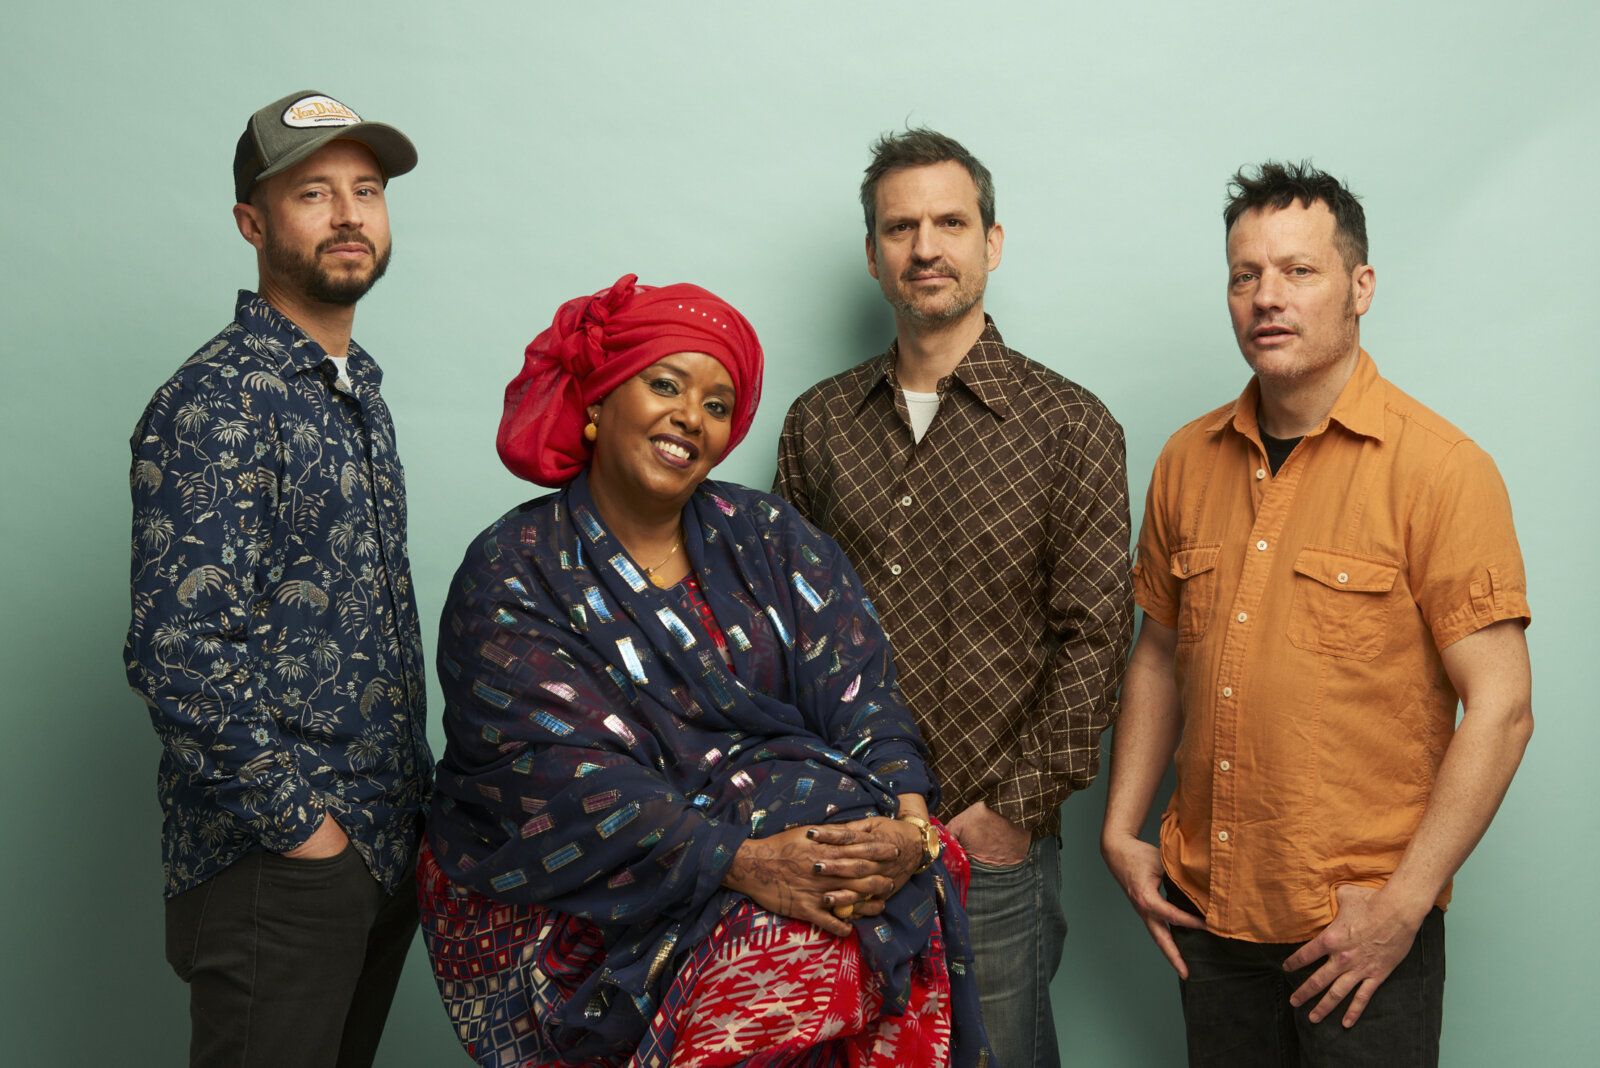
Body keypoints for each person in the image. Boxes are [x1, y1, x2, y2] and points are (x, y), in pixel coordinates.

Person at [419, 274, 993, 1067]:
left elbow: (862, 692)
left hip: (799, 855)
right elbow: (553, 773)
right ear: (597, 401)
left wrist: (907, 825)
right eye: (666, 385)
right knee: (790, 937)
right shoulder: (515, 569)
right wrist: (742, 862)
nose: (692, 416)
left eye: (718, 404)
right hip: (594, 909)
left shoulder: (768, 536)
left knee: (886, 892)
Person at [1100, 160, 1534, 1066]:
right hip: (1209, 915)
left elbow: (1501, 708)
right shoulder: (1186, 460)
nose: (1268, 297)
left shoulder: (1442, 470)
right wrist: (1120, 826)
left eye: (1299, 271)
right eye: (1245, 275)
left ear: (1359, 287)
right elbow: (1158, 652)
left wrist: (1403, 907)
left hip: (1361, 931)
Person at [775, 127, 1133, 1066]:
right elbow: (781, 631)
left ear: (992, 241)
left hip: (993, 845)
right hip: (841, 837)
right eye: (901, 227)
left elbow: (1098, 641)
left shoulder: (1071, 426)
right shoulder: (817, 424)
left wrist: (1009, 814)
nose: (925, 246)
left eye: (950, 223)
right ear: (872, 253)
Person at [124, 90, 433, 1068]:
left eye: (366, 190)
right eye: (312, 193)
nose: (348, 215)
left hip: (380, 851)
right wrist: (307, 835)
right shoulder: (217, 401)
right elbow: (177, 653)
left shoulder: (357, 389)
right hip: (279, 869)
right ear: (251, 223)